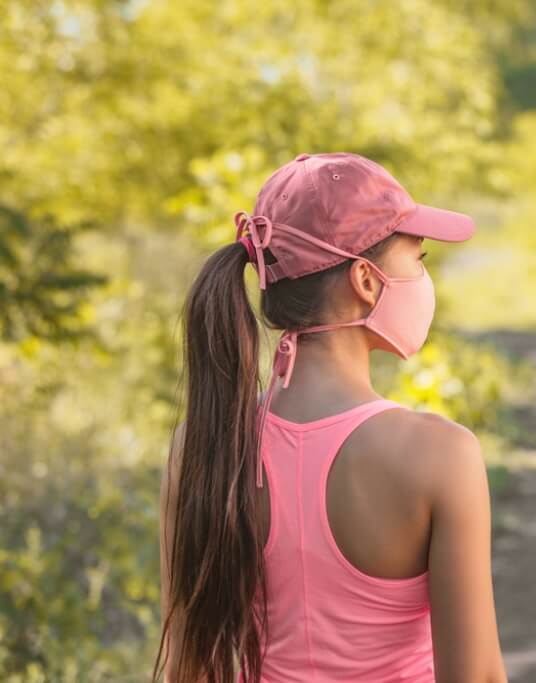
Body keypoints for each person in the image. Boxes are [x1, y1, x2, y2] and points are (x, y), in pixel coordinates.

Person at [153, 152, 508, 683]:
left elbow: (188, 666)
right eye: (419, 258)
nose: (423, 275)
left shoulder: (202, 446)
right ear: (366, 280)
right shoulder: (440, 455)